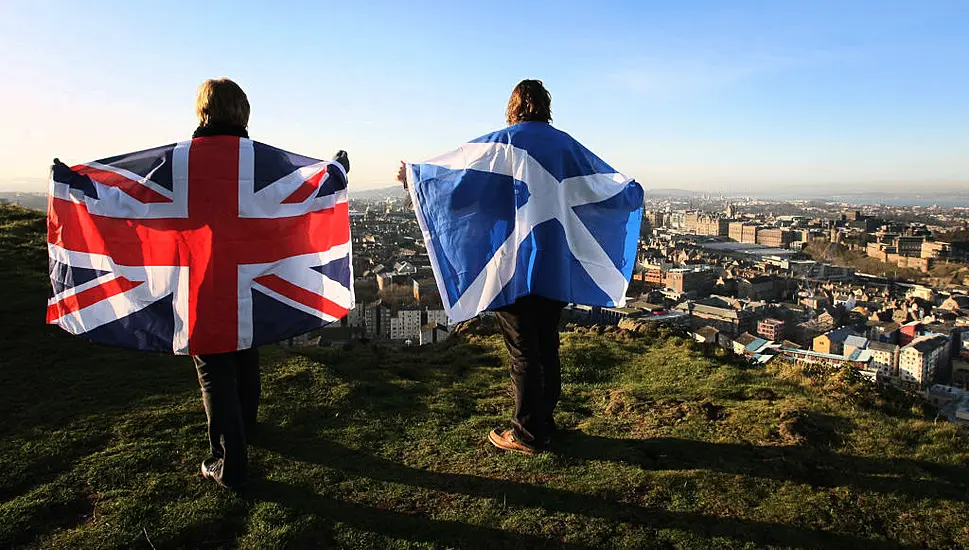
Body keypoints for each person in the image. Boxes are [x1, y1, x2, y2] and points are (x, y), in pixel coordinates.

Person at [193, 78, 349, 488]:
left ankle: (230, 464)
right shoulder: (257, 163)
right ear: (242, 113)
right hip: (251, 280)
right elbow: (300, 192)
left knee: (214, 369)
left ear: (203, 112)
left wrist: (75, 185)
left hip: (203, 282)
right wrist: (334, 172)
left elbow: (130, 198)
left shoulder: (183, 163)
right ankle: (248, 428)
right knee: (244, 351)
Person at [396, 79, 565, 455]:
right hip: (555, 264)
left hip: (514, 265)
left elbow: (459, 191)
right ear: (546, 107)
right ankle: (545, 422)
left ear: (514, 107)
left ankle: (528, 434)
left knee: (523, 349)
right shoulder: (564, 146)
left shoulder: (501, 146)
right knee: (546, 344)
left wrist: (415, 181)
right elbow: (596, 186)